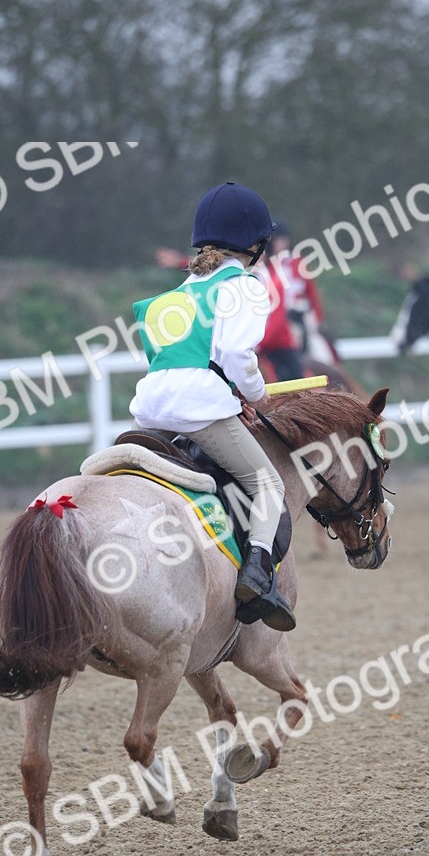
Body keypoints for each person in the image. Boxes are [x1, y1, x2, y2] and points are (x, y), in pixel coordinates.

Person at [130, 181, 295, 631]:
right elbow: (237, 356)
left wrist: (230, 394)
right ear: (256, 245)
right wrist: (256, 395)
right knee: (269, 484)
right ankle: (257, 573)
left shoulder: (173, 295)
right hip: (198, 409)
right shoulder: (245, 287)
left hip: (150, 409)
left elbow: (186, 360)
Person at [257, 221, 324, 382]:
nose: (279, 244)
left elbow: (312, 293)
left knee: (315, 347)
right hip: (270, 318)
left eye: (281, 240)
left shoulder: (297, 262)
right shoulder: (264, 268)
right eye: (276, 241)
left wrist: (317, 317)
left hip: (296, 315)